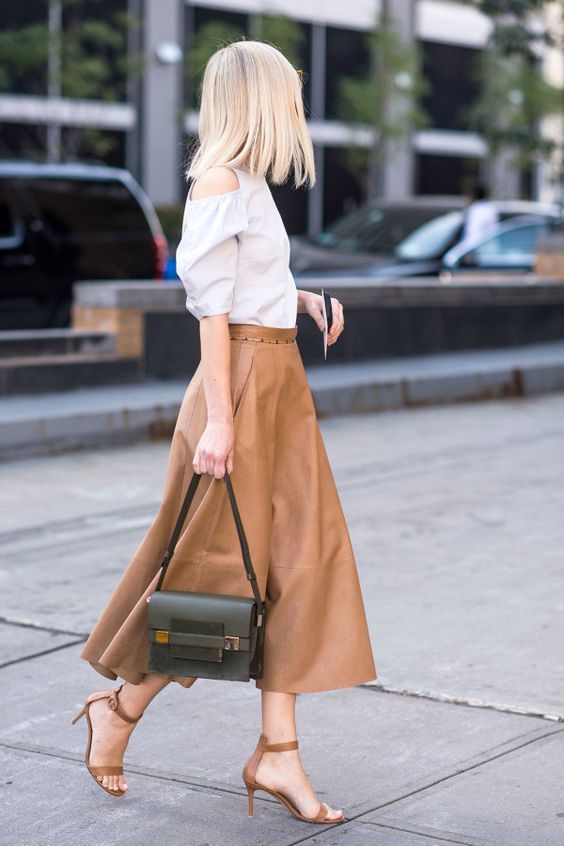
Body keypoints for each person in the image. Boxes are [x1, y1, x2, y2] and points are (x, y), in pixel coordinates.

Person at [72, 39, 377, 825]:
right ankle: (121, 710)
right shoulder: (218, 178)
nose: (297, 105)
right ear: (258, 98)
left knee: (300, 565)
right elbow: (210, 307)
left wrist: (300, 298)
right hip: (238, 383)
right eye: (288, 91)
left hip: (276, 377)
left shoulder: (245, 183)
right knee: (214, 574)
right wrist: (220, 420)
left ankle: (278, 753)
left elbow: (247, 283)